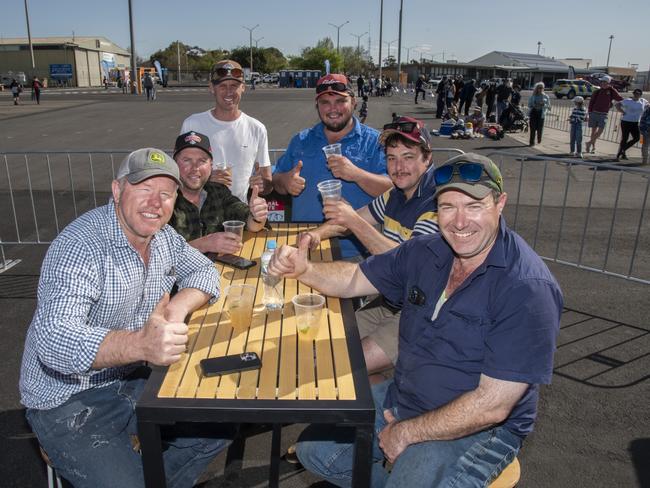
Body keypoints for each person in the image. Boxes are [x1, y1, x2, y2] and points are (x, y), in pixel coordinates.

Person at [268, 153, 562, 488]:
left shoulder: (526, 287)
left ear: (500, 203)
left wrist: (409, 432)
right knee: (314, 452)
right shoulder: (425, 250)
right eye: (448, 207)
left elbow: (492, 406)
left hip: (480, 429)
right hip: (405, 396)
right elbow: (353, 279)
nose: (460, 221)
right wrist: (304, 270)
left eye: (474, 206)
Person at [19, 148, 233, 487]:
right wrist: (141, 345)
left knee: (219, 425)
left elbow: (205, 272)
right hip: (67, 399)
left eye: (165, 194)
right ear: (117, 190)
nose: (155, 202)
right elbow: (54, 341)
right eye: (144, 189)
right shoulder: (81, 245)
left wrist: (176, 311)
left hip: (130, 379)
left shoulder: (162, 237)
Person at [299, 116, 438, 381]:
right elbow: (356, 219)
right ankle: (376, 403)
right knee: (330, 343)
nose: (398, 167)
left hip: (420, 313)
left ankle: (398, 401)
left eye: (408, 157)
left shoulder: (439, 203)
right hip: (390, 300)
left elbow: (403, 265)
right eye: (391, 158)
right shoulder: (396, 193)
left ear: (427, 159)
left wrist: (351, 219)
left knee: (341, 362)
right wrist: (314, 235)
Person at [272, 73, 391, 259]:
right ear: (317, 106)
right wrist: (285, 181)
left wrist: (357, 174)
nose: (332, 108)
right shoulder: (301, 140)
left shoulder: (375, 142)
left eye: (340, 101)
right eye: (325, 102)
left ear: (354, 102)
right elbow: (275, 180)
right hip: (303, 246)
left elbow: (395, 191)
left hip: (357, 254)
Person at [181, 60, 272, 203]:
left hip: (239, 215)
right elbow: (180, 173)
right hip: (200, 215)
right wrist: (206, 178)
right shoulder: (193, 124)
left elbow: (267, 181)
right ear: (212, 88)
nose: (229, 92)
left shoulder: (257, 128)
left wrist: (263, 184)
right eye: (222, 86)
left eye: (234, 86)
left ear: (243, 88)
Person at [170, 130, 268, 254]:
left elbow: (251, 224)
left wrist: (257, 216)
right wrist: (204, 244)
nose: (195, 168)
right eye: (187, 160)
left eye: (202, 161)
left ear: (211, 166)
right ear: (174, 164)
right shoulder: (164, 199)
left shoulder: (218, 191)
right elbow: (155, 255)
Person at [585, 75, 623, 154]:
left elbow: (619, 98)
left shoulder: (611, 91)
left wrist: (612, 89)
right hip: (594, 113)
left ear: (608, 83)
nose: (602, 83)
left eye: (604, 82)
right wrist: (589, 113)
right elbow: (591, 103)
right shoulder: (597, 91)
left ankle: (589, 143)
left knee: (601, 130)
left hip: (603, 113)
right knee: (593, 131)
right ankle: (593, 147)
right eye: (602, 82)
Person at [615, 88, 648, 161]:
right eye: (635, 93)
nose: (637, 95)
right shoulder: (628, 101)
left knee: (637, 138)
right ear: (633, 94)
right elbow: (617, 105)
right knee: (625, 138)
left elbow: (648, 106)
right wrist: (623, 112)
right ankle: (620, 154)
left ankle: (623, 150)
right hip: (626, 121)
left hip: (636, 122)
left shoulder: (643, 101)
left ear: (640, 95)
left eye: (638, 94)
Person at [527, 82, 551, 146]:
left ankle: (539, 138)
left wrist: (544, 104)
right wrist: (533, 105)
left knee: (539, 128)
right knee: (533, 128)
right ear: (536, 88)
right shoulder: (533, 96)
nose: (540, 89)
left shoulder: (546, 96)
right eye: (539, 88)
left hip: (541, 113)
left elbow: (549, 107)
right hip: (534, 112)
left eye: (542, 88)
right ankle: (531, 142)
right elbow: (529, 105)